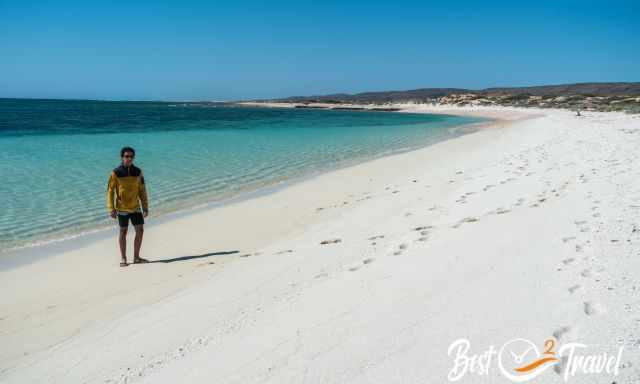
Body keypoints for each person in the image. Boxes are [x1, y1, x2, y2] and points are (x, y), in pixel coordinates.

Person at [106, 147, 150, 267]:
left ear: (133, 157)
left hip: (135, 207)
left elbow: (142, 190)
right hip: (122, 208)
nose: (129, 158)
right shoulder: (116, 172)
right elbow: (110, 191)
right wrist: (111, 208)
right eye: (126, 156)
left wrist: (145, 207)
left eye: (131, 156)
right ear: (122, 157)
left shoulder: (138, 172)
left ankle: (136, 257)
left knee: (140, 231)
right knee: (123, 232)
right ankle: (123, 258)